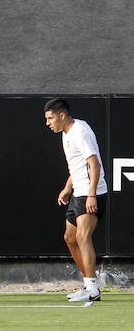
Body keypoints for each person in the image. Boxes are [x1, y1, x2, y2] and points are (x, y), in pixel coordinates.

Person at [43, 98, 108, 303]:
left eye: (51, 118)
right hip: (77, 192)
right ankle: (89, 285)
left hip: (91, 192)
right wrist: (67, 187)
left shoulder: (80, 131)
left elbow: (94, 164)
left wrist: (91, 194)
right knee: (70, 238)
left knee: (82, 237)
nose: (48, 123)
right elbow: (77, 165)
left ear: (62, 115)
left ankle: (92, 290)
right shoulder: (66, 133)